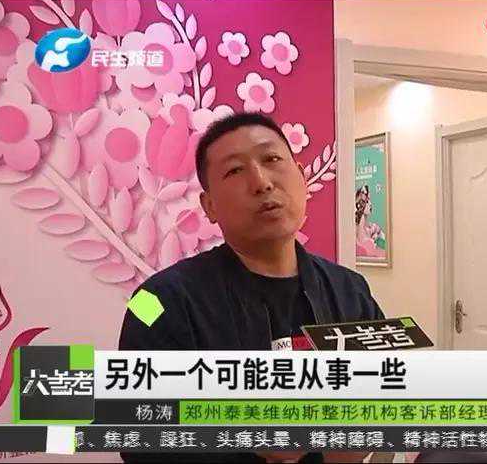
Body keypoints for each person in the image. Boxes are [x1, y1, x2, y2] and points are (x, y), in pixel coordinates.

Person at [119, 112, 385, 463]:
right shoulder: (156, 301)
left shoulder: (350, 289)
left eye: (272, 159)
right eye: (234, 171)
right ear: (209, 206)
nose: (261, 182)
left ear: (302, 177)